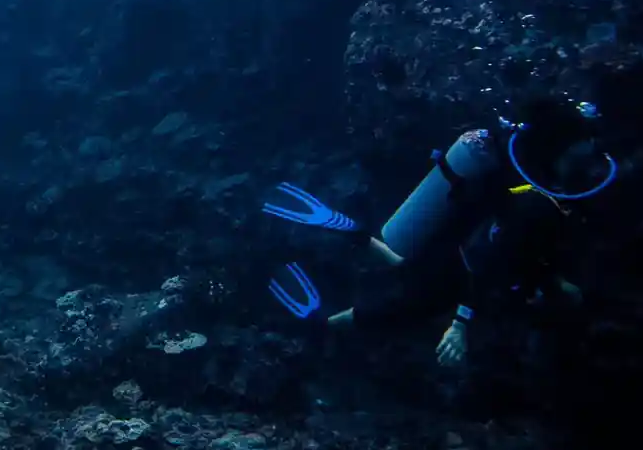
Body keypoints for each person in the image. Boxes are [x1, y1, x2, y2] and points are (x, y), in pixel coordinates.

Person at [263, 97, 616, 366]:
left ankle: (353, 233)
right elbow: (486, 259)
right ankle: (322, 326)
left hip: (458, 241)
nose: (589, 157)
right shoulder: (537, 198)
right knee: (404, 308)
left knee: (408, 269)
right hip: (464, 259)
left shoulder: (540, 174)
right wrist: (460, 325)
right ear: (561, 147)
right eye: (579, 150)